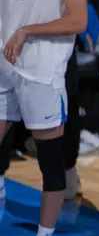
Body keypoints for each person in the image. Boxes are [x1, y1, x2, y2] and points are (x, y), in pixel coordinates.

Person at [0, 0, 87, 236]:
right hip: (5, 61)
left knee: (50, 162)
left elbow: (78, 20)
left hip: (41, 71)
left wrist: (27, 30)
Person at [0, 47, 82, 202]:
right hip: (9, 39)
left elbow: (78, 23)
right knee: (4, 104)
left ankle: (67, 167)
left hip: (50, 49)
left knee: (63, 100)